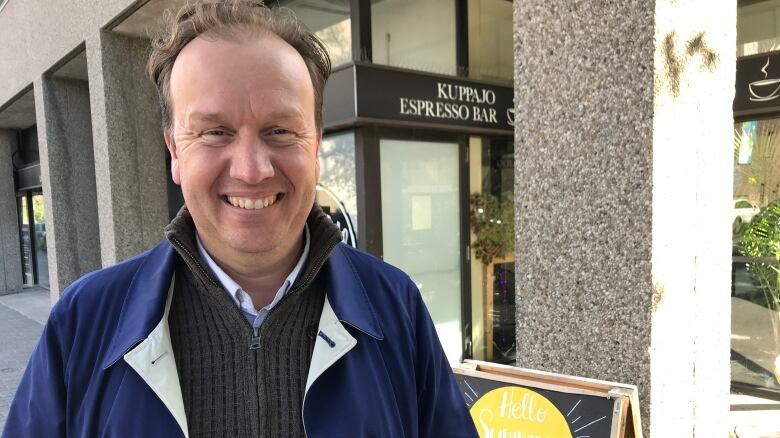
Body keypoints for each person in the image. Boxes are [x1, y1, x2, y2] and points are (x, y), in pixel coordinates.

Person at [2, 1, 478, 437]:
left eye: (279, 130)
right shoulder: (85, 322)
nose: (252, 169)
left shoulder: (395, 308)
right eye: (214, 132)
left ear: (314, 146)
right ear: (174, 151)